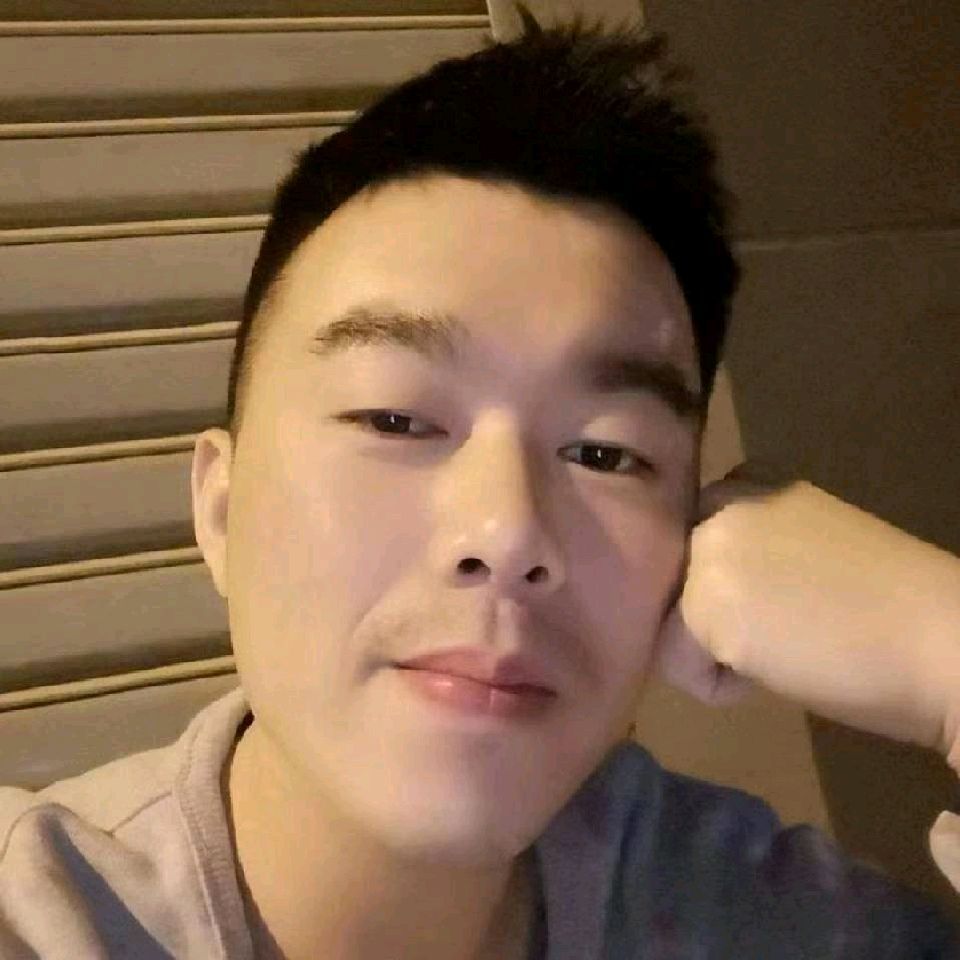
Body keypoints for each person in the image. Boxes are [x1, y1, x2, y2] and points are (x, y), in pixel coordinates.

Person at [1, 6, 958, 958]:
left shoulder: (770, 921)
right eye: (394, 420)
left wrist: (942, 650)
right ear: (219, 511)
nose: (507, 532)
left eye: (604, 454)